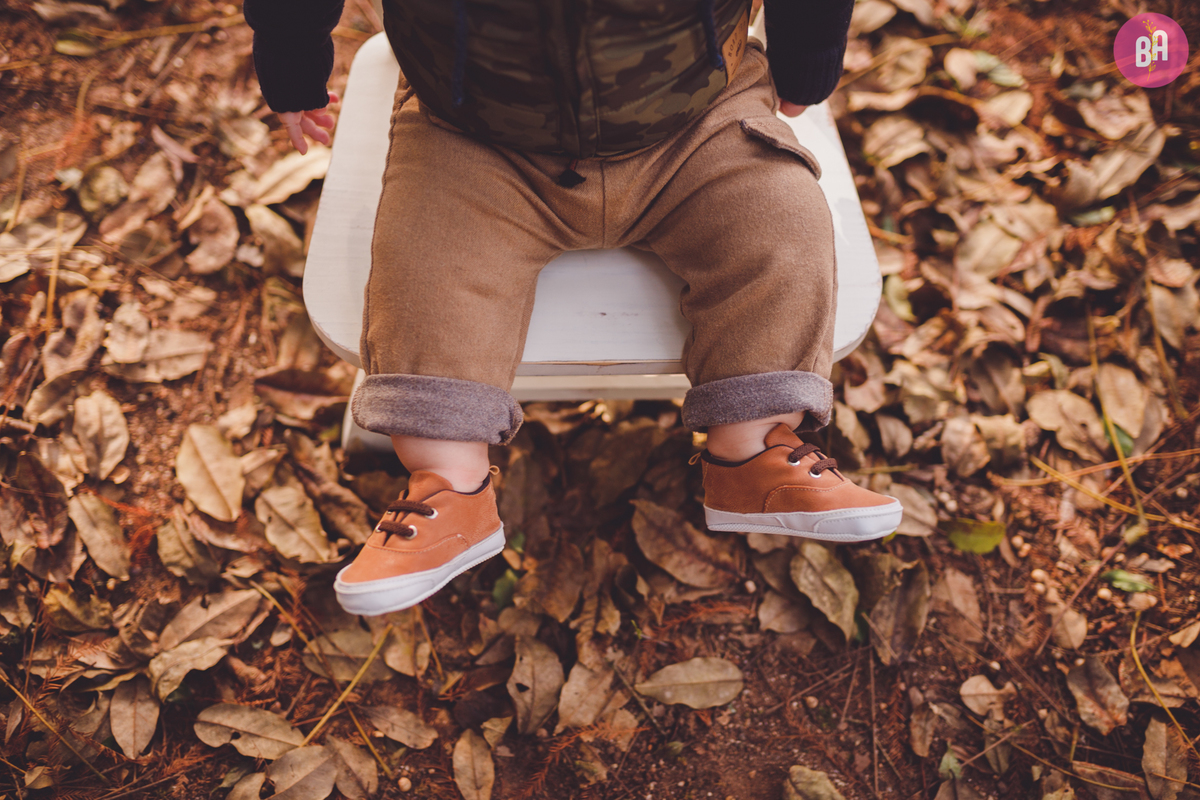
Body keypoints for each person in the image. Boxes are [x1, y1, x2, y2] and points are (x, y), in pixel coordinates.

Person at [244, 0, 903, 616]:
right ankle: (448, 485)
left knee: (779, 226)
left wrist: (805, 58)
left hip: (698, 115)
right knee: (424, 272)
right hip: (472, 131)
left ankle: (753, 450)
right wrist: (292, 59)